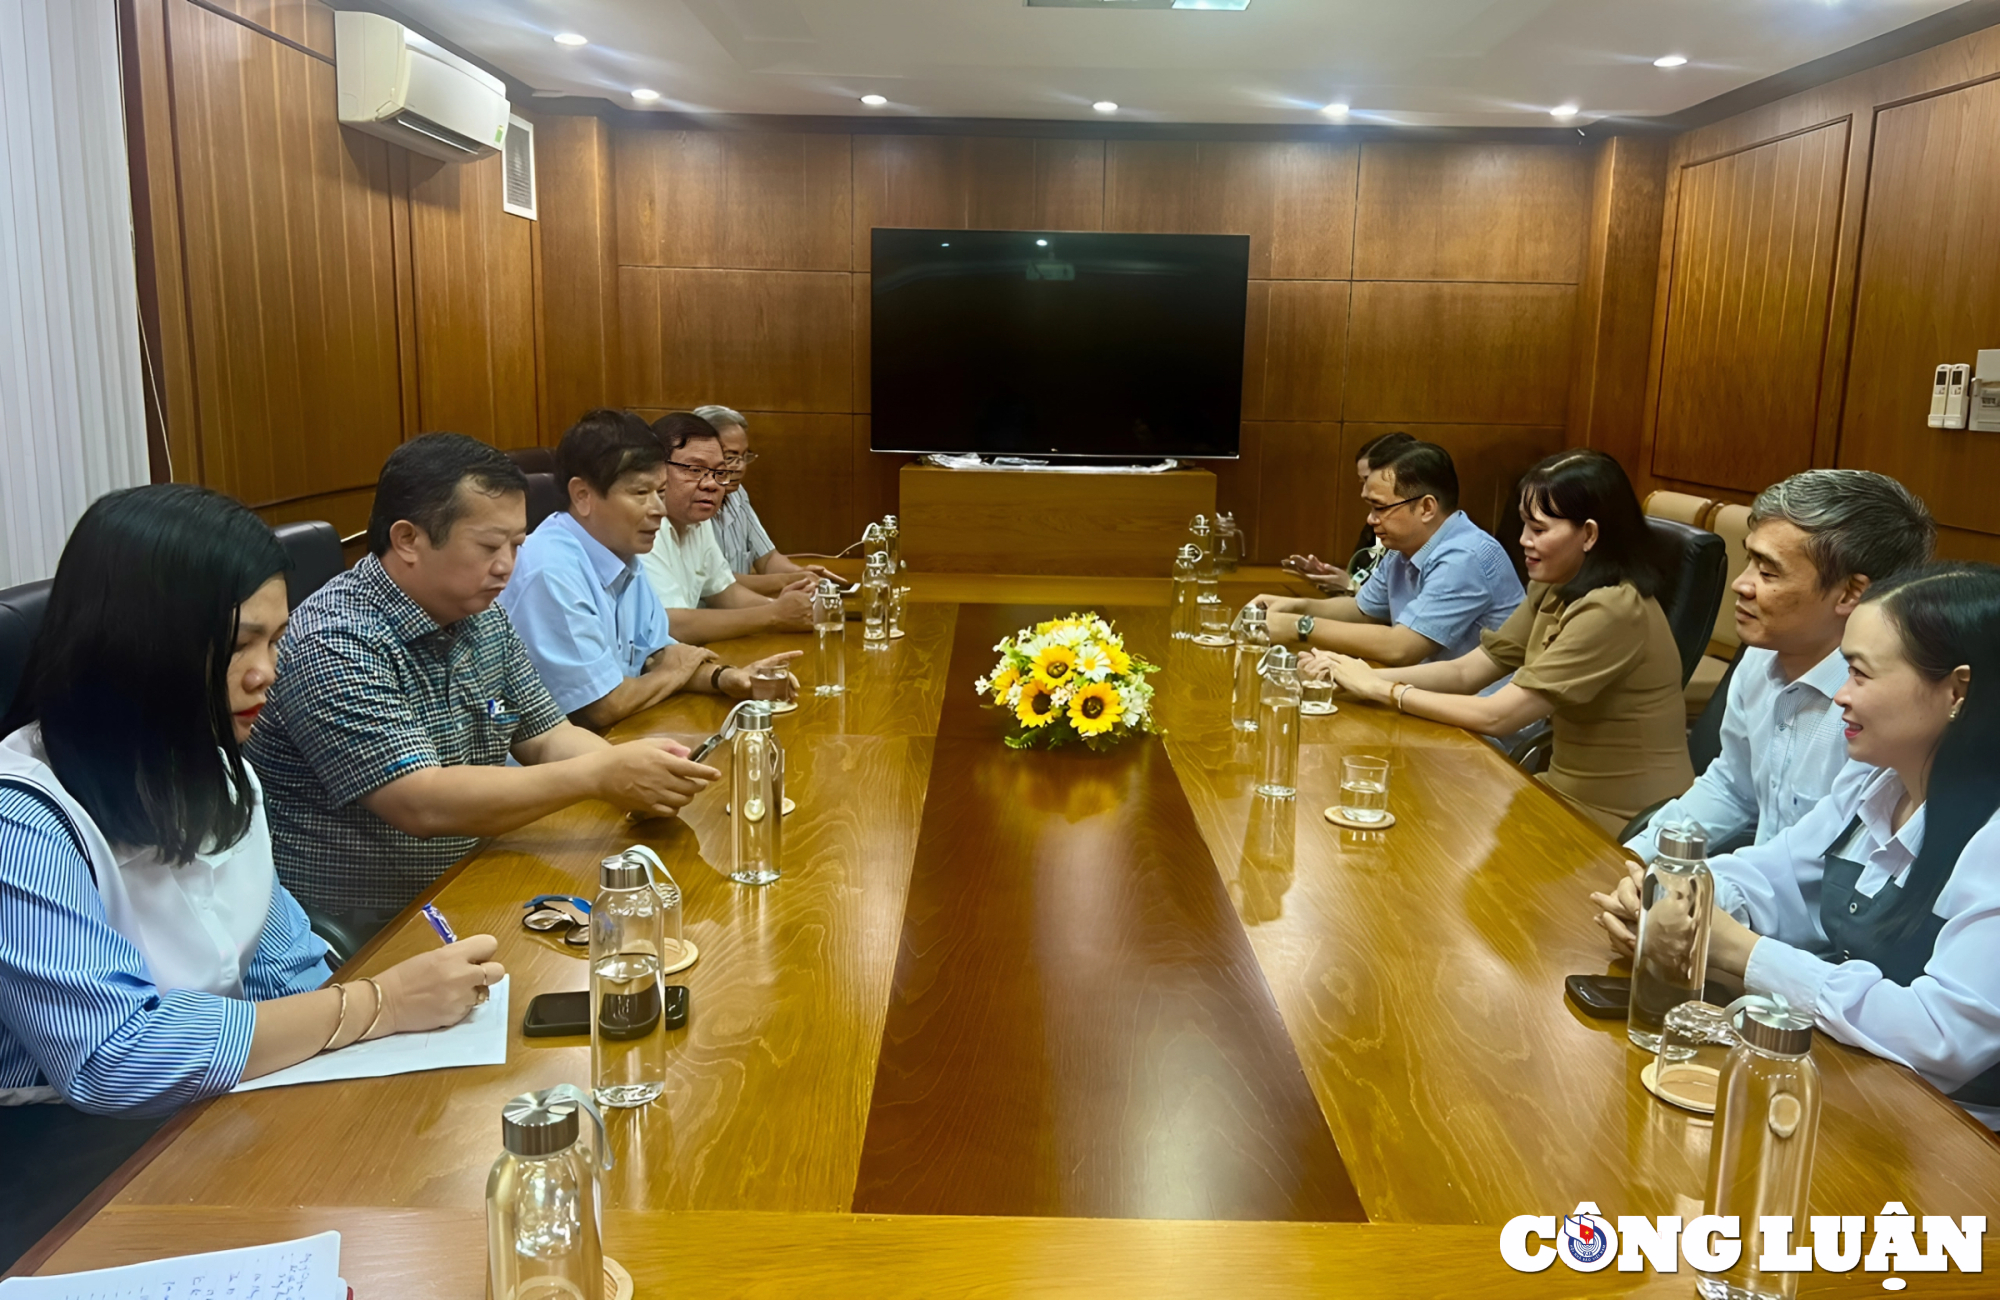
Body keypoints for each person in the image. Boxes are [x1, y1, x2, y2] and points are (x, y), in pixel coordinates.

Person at [0, 486, 502, 1260]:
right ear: (138, 641)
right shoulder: (23, 818)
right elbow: (113, 1057)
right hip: (68, 1171)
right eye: (241, 643)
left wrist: (387, 1043)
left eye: (278, 639)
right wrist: (377, 1004)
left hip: (215, 1115)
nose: (268, 672)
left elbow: (284, 964)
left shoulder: (221, 770)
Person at [247, 434, 719, 940]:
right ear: (408, 540)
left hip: (477, 873)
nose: (507, 567)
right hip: (374, 925)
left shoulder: (480, 614)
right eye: (489, 547)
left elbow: (546, 736)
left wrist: (640, 772)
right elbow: (420, 801)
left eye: (517, 545)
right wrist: (601, 774)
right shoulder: (335, 639)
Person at [1594, 564, 2000, 1128]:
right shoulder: (1875, 780)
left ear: (1957, 690)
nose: (1840, 696)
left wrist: (1742, 950)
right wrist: (1674, 901)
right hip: (1853, 1084)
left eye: (1860, 674)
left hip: (1953, 1142)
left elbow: (1941, 1036)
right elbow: (1776, 876)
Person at [1311, 449, 1691, 835]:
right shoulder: (1555, 585)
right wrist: (1354, 678)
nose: (1523, 540)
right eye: (1524, 525)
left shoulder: (1613, 609)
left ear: (1589, 534)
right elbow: (1467, 672)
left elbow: (1497, 716)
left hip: (1623, 824)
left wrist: (1385, 689)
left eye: (1539, 530)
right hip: (1555, 794)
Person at [1626, 470, 1934, 860]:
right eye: (1749, 560)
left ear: (1850, 593)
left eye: (1768, 572)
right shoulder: (1763, 652)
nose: (1741, 584)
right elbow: (1732, 788)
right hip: (1751, 897)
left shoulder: (1887, 708)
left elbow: (1827, 861)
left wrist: (1708, 893)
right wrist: (1635, 860)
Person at [500, 410, 800, 730]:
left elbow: (659, 652)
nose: (658, 510)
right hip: (552, 764)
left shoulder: (622, 554)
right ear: (583, 496)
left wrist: (725, 677)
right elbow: (601, 706)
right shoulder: (551, 571)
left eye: (659, 492)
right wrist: (673, 672)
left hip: (620, 738)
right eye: (641, 493)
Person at [1253, 442, 1523, 665]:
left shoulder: (1464, 557)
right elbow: (1363, 610)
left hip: (1479, 719)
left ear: (1427, 508)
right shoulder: (1404, 545)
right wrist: (1294, 606)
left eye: (1380, 508)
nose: (1371, 519)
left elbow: (1402, 647)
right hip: (1426, 697)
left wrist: (1299, 627)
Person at [639, 412, 816, 645]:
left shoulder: (697, 521)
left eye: (720, 473)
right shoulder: (644, 526)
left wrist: (789, 609)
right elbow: (672, 623)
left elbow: (724, 593)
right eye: (694, 470)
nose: (711, 484)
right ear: (656, 471)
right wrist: (774, 614)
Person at [693, 404, 844, 595]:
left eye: (744, 456)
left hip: (744, 610)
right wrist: (791, 580)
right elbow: (717, 582)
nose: (740, 467)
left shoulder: (738, 494)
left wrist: (803, 575)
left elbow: (768, 558)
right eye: (731, 457)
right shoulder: (691, 506)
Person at [1281, 431, 1416, 595]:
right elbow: (1363, 599)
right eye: (1362, 481)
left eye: (1369, 479)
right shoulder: (1372, 524)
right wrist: (1334, 583)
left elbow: (1399, 607)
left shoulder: (1416, 537)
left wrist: (1352, 587)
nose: (1364, 491)